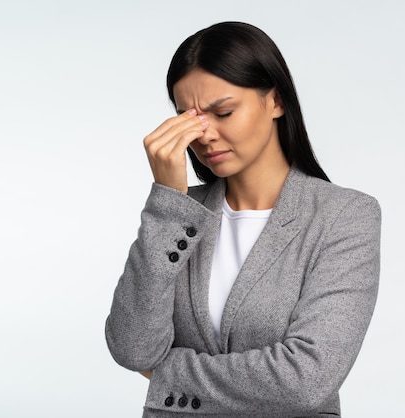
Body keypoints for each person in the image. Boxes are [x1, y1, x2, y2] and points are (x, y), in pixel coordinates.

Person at [105, 21, 381, 417]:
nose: (205, 136)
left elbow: (306, 380)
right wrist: (168, 203)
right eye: (189, 119)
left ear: (276, 101)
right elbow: (132, 348)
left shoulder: (345, 216)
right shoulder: (179, 217)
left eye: (223, 112)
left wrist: (165, 373)